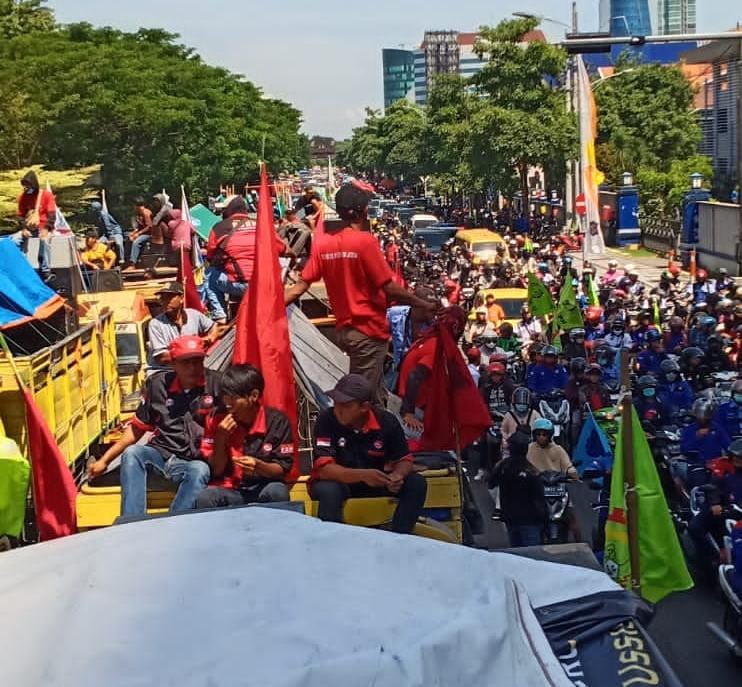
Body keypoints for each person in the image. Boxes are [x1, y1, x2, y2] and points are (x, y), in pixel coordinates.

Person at [285, 181, 435, 402]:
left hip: (346, 331)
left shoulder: (324, 245)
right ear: (363, 211)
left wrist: (268, 305)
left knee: (375, 392)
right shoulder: (365, 243)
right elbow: (389, 287)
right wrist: (423, 304)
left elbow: (300, 287)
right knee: (359, 399)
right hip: (368, 332)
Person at [88, 336, 218, 515]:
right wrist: (104, 461)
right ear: (173, 364)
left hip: (192, 461)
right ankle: (133, 521)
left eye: (197, 361)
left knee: (200, 469)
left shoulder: (217, 385)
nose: (193, 368)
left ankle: (175, 521)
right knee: (133, 453)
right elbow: (137, 429)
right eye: (186, 362)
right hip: (160, 456)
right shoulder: (158, 385)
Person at [309, 374, 427, 534]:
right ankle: (332, 541)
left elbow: (404, 459)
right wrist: (363, 475)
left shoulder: (387, 421)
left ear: (364, 406)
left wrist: (396, 476)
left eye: (345, 405)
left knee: (417, 483)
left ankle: (399, 536)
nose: (338, 410)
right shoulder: (326, 420)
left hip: (377, 483)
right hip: (340, 484)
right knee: (329, 490)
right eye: (336, 403)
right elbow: (324, 469)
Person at [196, 364, 293, 508]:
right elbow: (216, 470)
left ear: (253, 396)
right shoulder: (217, 418)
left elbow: (282, 468)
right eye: (225, 396)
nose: (227, 403)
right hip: (230, 489)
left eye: (233, 397)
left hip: (262, 486)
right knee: (207, 497)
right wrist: (221, 438)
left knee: (277, 491)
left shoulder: (277, 421)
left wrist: (259, 467)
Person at [206, 196, 291, 321]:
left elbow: (210, 256)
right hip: (266, 284)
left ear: (229, 210)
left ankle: (220, 316)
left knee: (209, 275)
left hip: (239, 284)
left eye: (224, 210)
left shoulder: (219, 227)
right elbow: (283, 249)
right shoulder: (262, 225)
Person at [397, 307, 467, 434]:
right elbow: (415, 376)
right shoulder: (436, 346)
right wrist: (408, 412)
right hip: (417, 408)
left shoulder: (426, 339)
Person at [687, 438, 742, 563]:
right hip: (725, 505)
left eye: (741, 458)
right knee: (695, 528)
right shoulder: (723, 466)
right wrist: (715, 503)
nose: (738, 460)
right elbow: (714, 486)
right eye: (735, 457)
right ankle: (710, 559)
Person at [490, 432, 546, 547]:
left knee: (517, 555)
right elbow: (539, 497)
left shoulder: (503, 467)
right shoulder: (531, 470)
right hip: (530, 520)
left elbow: (491, 483)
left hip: (511, 518)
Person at [147, 282, 217, 372]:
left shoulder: (194, 315)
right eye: (163, 298)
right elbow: (162, 357)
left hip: (190, 368)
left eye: (169, 297)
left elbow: (214, 327)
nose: (165, 301)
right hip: (165, 370)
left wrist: (210, 338)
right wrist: (192, 348)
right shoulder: (155, 324)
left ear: (181, 298)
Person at [11, 170, 55, 283]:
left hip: (44, 226)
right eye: (25, 185)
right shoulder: (23, 197)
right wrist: (24, 229)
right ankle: (22, 267)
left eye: (28, 185)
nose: (26, 188)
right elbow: (20, 216)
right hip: (30, 228)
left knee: (44, 240)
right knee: (14, 240)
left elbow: (52, 215)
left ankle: (46, 271)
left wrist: (46, 228)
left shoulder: (46, 195)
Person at [681, 398, 732, 462]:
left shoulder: (717, 428)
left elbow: (728, 446)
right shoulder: (689, 430)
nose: (703, 419)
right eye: (700, 417)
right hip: (695, 465)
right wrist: (697, 437)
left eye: (706, 417)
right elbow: (684, 449)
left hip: (714, 464)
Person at [500, 387, 541, 458]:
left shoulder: (534, 414)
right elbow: (503, 430)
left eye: (524, 404)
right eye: (519, 404)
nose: (521, 406)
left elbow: (541, 429)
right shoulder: (509, 415)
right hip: (512, 447)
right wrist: (505, 439)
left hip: (531, 447)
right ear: (514, 403)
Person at [127, 197, 153, 268]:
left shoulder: (146, 213)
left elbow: (149, 227)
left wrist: (138, 234)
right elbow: (139, 226)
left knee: (136, 242)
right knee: (127, 237)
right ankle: (127, 260)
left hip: (149, 234)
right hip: (142, 232)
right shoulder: (138, 213)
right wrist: (133, 233)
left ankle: (133, 263)